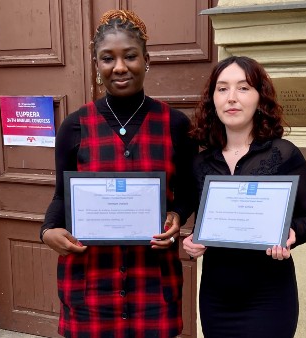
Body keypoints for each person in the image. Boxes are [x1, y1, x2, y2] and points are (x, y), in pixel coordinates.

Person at [40, 9, 197, 338]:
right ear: (97, 65)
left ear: (146, 59)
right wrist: (48, 231)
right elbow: (61, 195)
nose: (120, 67)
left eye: (130, 56)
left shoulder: (175, 125)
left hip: (153, 281)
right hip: (91, 281)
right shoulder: (75, 126)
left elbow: (188, 191)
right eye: (107, 58)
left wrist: (177, 214)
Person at [183, 56, 306, 338]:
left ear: (260, 98)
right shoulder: (201, 163)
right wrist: (194, 241)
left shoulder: (283, 153)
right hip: (216, 296)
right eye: (222, 89)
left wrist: (291, 234)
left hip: (269, 296)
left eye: (243, 88)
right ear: (213, 99)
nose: (231, 98)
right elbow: (206, 224)